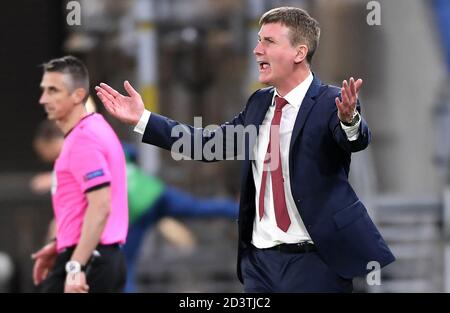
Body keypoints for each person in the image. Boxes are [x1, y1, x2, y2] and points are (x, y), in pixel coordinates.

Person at [95, 7, 395, 292]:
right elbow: (206, 145)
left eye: (269, 41)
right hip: (260, 264)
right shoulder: (259, 103)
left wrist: (349, 119)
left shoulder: (331, 102)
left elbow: (355, 140)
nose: (257, 50)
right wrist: (143, 119)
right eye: (258, 40)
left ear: (298, 53)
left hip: (315, 262)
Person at [30, 123, 239, 292]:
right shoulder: (94, 139)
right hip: (151, 191)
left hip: (134, 210)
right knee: (200, 208)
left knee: (124, 267)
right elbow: (130, 151)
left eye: (43, 150)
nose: (45, 156)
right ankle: (250, 209)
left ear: (52, 140)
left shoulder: (75, 149)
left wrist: (52, 179)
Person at [31, 56, 128, 293]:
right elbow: (82, 206)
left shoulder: (84, 139)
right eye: (43, 90)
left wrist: (75, 267)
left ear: (77, 95)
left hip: (90, 260)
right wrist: (60, 244)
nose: (43, 99)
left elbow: (100, 205)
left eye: (53, 91)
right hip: (90, 256)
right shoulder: (92, 129)